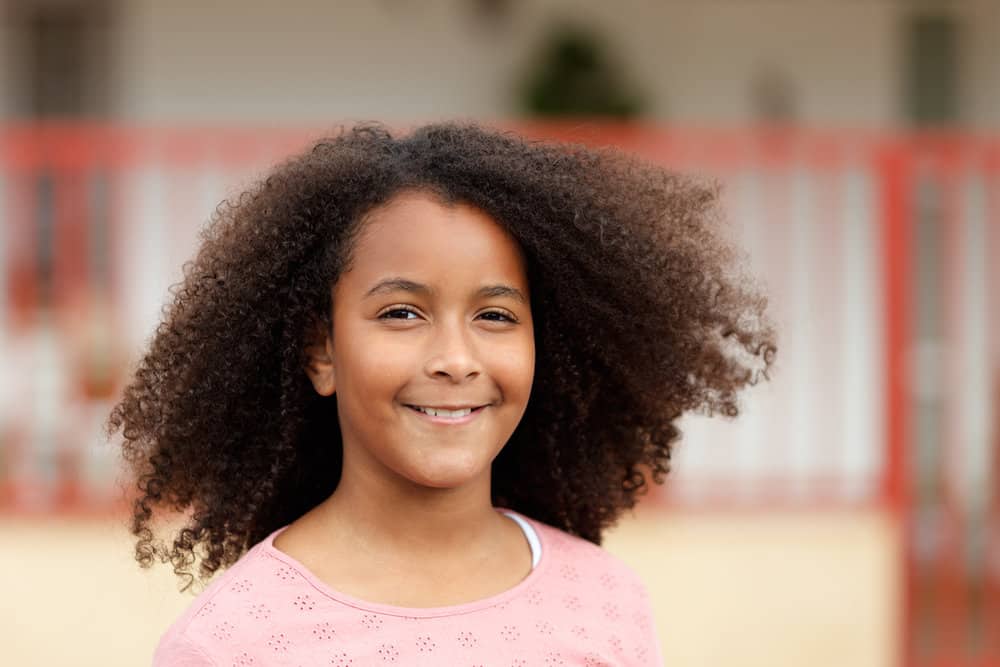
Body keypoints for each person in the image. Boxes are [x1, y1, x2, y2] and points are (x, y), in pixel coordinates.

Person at [107, 122, 775, 665]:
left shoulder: (605, 602)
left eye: (495, 315)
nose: (456, 360)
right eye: (401, 312)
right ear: (321, 350)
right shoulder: (232, 642)